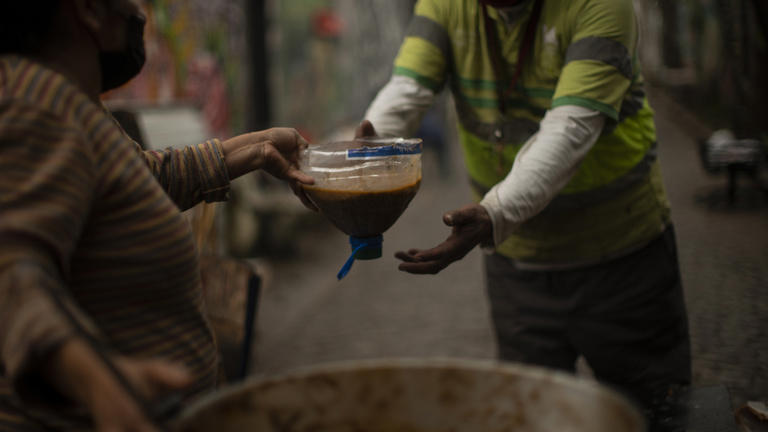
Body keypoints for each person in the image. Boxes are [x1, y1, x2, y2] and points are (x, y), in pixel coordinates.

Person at [356, 0, 691, 426]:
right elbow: (407, 89)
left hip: (626, 262)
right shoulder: (443, 6)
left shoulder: (603, 5)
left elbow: (571, 127)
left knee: (653, 413)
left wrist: (494, 213)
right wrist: (361, 160)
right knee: (530, 416)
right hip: (518, 270)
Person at [0, 0, 314, 431]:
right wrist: (99, 383)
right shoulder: (41, 106)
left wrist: (256, 150)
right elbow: (12, 267)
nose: (139, 12)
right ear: (89, 10)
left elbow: (140, 180)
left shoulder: (70, 104)